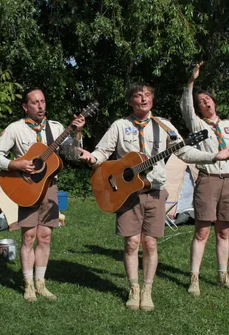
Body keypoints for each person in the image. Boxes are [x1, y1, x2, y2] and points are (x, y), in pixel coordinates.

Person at [78, 82, 229, 312]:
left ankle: (147, 289)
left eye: (147, 95)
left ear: (152, 99)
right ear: (131, 101)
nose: (143, 99)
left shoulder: (165, 126)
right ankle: (133, 288)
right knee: (131, 243)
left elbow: (184, 151)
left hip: (155, 191)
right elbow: (102, 152)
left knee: (150, 243)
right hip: (127, 194)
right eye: (138, 96)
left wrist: (213, 156)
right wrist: (92, 157)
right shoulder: (120, 125)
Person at [0, 88, 85, 302]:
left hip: (49, 187)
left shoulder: (57, 128)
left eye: (42, 101)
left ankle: (41, 283)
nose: (40, 106)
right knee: (29, 237)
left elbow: (72, 155)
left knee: (45, 236)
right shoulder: (15, 129)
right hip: (27, 186)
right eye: (34, 102)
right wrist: (15, 164)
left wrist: (77, 133)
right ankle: (28, 284)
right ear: (25, 106)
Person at [180, 62, 229, 296]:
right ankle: (194, 278)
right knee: (202, 231)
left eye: (207, 99)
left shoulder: (228, 125)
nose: (205, 102)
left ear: (214, 102)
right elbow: (186, 107)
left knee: (225, 232)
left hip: (228, 181)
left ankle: (222, 275)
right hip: (208, 179)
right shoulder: (198, 125)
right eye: (201, 101)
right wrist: (191, 82)